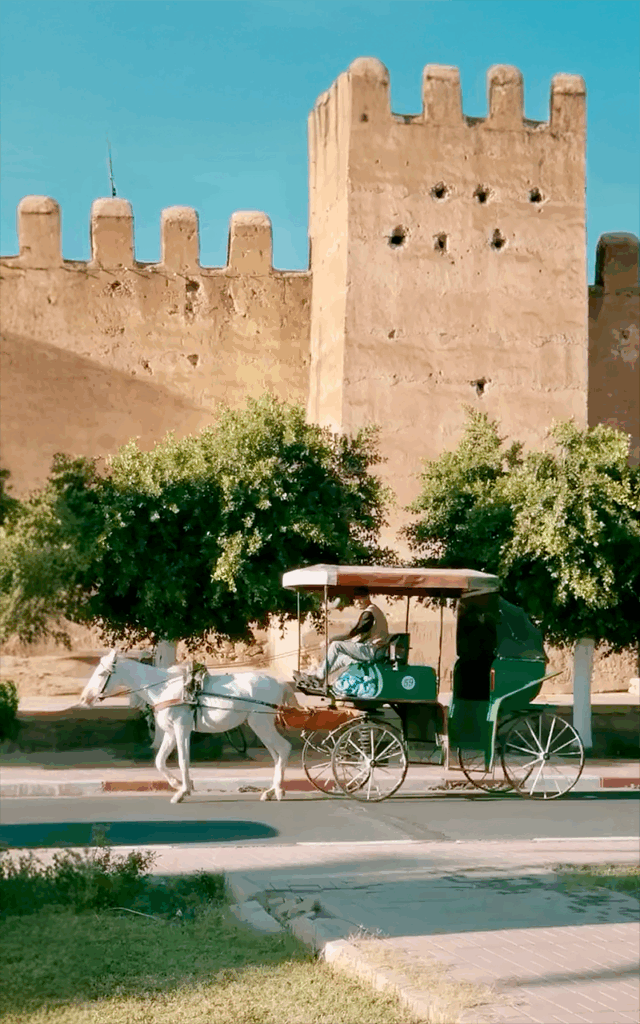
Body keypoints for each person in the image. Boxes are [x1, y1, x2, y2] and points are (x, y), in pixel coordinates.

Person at [294, 587, 390, 690]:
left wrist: (331, 640)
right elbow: (361, 636)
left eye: (360, 599)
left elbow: (352, 634)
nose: (357, 602)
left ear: (367, 597)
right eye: (355, 599)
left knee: (336, 645)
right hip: (374, 650)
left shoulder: (369, 613)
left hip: (372, 651)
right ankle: (317, 678)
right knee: (341, 658)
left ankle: (319, 677)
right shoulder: (373, 611)